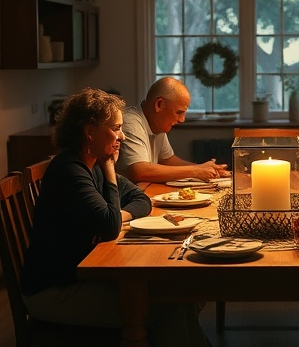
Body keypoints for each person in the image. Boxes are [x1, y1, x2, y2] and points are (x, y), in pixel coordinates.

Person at [21, 87, 209, 346]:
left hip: (79, 278)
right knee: (170, 308)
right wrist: (110, 170)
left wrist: (117, 214)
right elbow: (110, 227)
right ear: (89, 131)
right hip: (54, 291)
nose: (122, 135)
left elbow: (142, 200)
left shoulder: (90, 164)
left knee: (178, 300)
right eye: (115, 128)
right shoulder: (71, 171)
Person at [117, 76, 228, 183]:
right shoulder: (131, 123)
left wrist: (204, 169)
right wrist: (195, 171)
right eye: (178, 112)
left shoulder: (157, 124)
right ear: (159, 104)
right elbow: (139, 171)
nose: (182, 120)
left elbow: (167, 160)